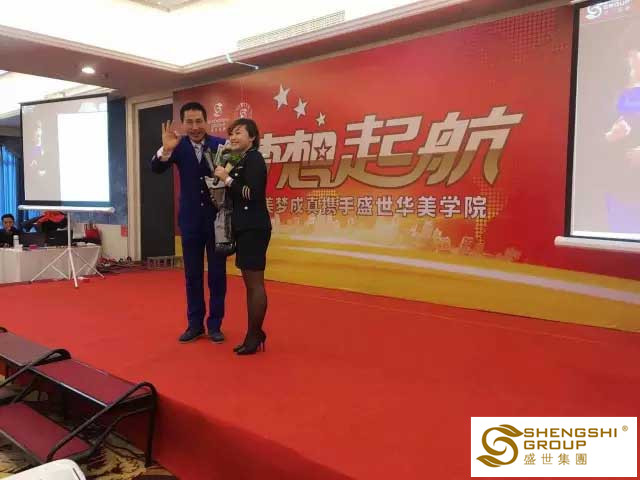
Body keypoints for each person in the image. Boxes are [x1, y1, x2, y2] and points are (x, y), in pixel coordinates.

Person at [151, 102, 227, 343]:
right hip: (190, 221)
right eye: (189, 122)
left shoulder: (221, 145)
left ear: (206, 121)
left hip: (217, 221)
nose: (195, 127)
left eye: (199, 121)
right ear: (183, 124)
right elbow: (155, 168)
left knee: (217, 275)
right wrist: (165, 150)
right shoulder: (177, 145)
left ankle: (215, 325)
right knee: (192, 276)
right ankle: (195, 325)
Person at [213, 118, 271, 355]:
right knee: (250, 284)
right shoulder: (240, 159)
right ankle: (254, 333)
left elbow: (251, 193)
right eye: (231, 133)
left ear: (252, 137)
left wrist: (227, 179)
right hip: (244, 227)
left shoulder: (254, 158)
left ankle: (254, 335)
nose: (233, 137)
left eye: (238, 133)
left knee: (255, 284)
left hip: (254, 228)